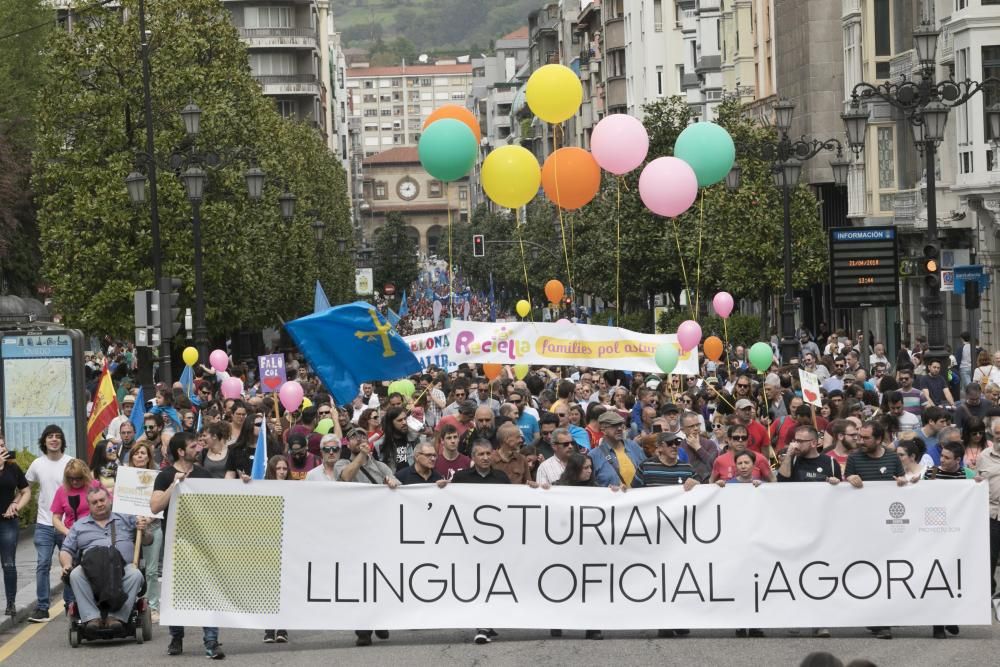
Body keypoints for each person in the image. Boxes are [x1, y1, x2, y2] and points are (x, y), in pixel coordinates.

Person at [150, 432, 224, 659]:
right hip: (176, 546)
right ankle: (176, 637)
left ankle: (211, 641)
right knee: (177, 593)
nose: (199, 449)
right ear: (181, 451)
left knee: (208, 592)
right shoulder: (164, 476)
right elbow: (154, 506)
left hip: (202, 545)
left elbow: (220, 502)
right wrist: (174, 486)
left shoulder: (204, 475)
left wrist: (244, 484)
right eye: (193, 446)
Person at [334, 429, 398, 646]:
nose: (359, 439)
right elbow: (346, 477)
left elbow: (398, 490)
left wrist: (391, 483)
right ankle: (363, 629)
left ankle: (379, 620)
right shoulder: (341, 464)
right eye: (354, 437)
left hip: (379, 532)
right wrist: (361, 456)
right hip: (354, 532)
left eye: (363, 436)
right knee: (359, 581)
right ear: (348, 443)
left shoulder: (381, 467)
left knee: (380, 578)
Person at [58, 486, 151, 630]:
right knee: (75, 574)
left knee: (136, 574)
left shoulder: (127, 519)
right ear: (89, 506)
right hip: (92, 571)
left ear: (109, 500)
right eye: (94, 502)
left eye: (102, 500)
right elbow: (66, 550)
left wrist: (143, 530)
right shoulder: (79, 526)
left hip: (123, 569)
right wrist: (66, 564)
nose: (99, 504)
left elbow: (147, 541)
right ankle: (91, 617)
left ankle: (116, 617)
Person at [451, 440, 508, 645]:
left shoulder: (501, 477)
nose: (485, 458)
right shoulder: (461, 478)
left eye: (487, 454)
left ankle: (487, 622)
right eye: (480, 454)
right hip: (469, 540)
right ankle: (482, 625)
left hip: (495, 540)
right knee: (477, 581)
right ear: (473, 458)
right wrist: (442, 489)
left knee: (493, 581)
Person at [25, 425, 73, 623]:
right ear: (44, 441)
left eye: (58, 437)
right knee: (42, 564)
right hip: (44, 523)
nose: (54, 440)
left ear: (62, 440)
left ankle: (70, 604)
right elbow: (25, 488)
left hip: (67, 524)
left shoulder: (71, 463)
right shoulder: (37, 464)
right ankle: (43, 607)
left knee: (70, 565)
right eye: (50, 437)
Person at [125, 442, 162, 622]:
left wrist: (148, 519)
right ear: (131, 457)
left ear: (149, 456)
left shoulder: (157, 478)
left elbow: (161, 501)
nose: (139, 456)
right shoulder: (125, 477)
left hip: (152, 528)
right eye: (136, 453)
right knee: (130, 568)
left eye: (143, 453)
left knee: (152, 571)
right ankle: (130, 605)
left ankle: (152, 606)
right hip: (129, 530)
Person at [0, 434, 30, 616]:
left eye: (3, 445)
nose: (2, 448)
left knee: (9, 563)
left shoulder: (13, 467)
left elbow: (25, 490)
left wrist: (16, 505)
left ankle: (10, 603)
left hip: (7, 522)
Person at [589, 411, 645, 488]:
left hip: (639, 498)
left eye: (620, 425)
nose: (619, 428)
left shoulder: (633, 446)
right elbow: (589, 486)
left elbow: (646, 470)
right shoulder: (594, 455)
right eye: (614, 425)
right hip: (612, 499)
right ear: (603, 430)